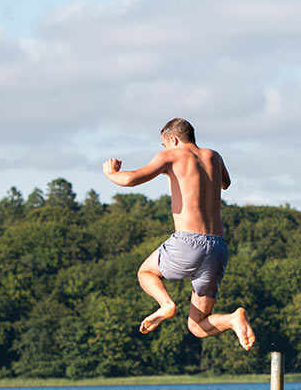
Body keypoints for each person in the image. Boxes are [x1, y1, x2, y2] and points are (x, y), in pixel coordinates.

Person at [104, 118, 256, 350]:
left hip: (188, 241)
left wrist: (111, 173)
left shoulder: (172, 155)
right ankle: (232, 319)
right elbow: (225, 183)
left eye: (164, 144)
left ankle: (166, 305)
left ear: (173, 139)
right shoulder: (214, 156)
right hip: (218, 247)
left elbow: (130, 180)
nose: (164, 149)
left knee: (146, 273)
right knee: (197, 325)